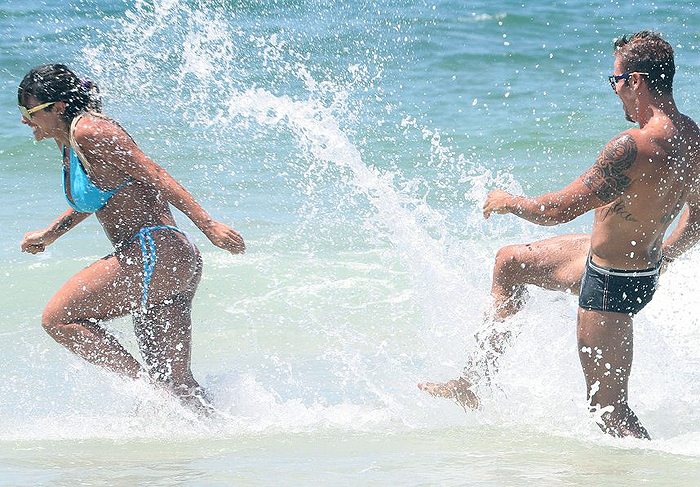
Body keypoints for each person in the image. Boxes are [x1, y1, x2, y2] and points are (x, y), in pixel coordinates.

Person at [420, 31, 700, 439]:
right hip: (633, 269)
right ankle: (474, 384)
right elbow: (699, 217)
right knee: (510, 262)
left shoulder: (631, 147)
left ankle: (663, 471)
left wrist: (509, 200)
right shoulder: (693, 139)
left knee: (609, 411)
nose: (616, 91)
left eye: (616, 81)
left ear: (636, 81)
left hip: (610, 286)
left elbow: (556, 211)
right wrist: (664, 256)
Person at [18, 64, 246, 413]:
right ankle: (217, 442)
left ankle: (149, 394)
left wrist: (209, 224)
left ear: (58, 107)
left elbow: (153, 172)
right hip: (169, 261)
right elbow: (100, 195)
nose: (24, 121)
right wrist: (50, 234)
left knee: (58, 319)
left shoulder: (91, 131)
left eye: (29, 111)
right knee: (179, 385)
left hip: (154, 252)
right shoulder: (73, 140)